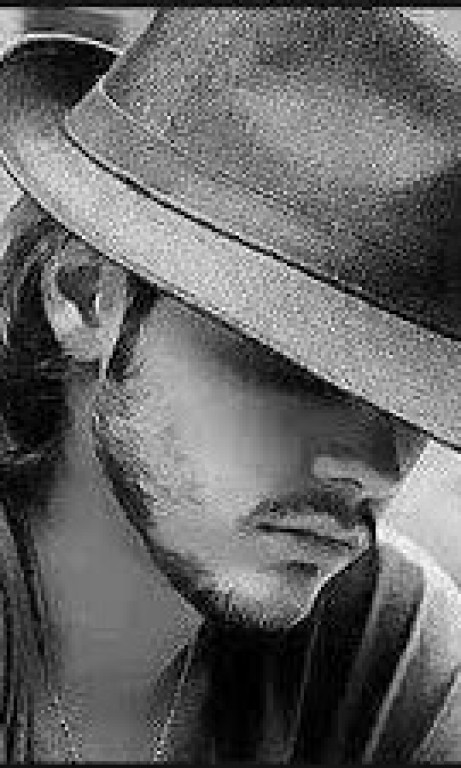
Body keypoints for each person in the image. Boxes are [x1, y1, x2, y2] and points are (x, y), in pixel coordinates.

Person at [0, 6, 460, 763]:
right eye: (303, 364)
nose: (377, 470)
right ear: (86, 296)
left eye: (410, 396)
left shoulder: (381, 646)